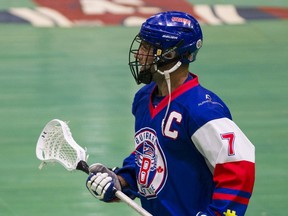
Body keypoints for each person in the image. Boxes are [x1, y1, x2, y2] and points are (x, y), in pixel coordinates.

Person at [86, 11, 255, 216]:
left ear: (170, 55)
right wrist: (121, 180)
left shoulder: (202, 110)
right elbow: (149, 153)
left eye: (148, 48)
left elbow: (239, 167)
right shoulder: (144, 98)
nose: (139, 54)